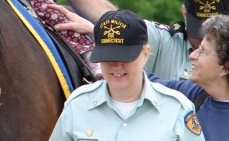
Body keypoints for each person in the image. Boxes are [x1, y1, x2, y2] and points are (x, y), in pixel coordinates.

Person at [45, 0, 229, 93]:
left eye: (214, 28)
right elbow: (118, 20)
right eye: (198, 26)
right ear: (184, 12)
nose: (203, 37)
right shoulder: (166, 40)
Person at [49, 9, 205, 140]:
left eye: (125, 57)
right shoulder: (77, 106)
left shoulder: (176, 109)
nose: (116, 65)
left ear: (145, 54)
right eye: (108, 57)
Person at [148, 15, 229, 141]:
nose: (192, 55)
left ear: (225, 67)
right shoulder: (194, 94)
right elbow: (145, 81)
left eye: (202, 51)